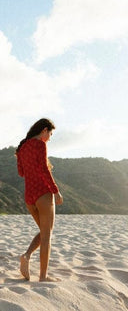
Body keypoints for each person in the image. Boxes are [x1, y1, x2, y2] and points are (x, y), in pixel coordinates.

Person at [15, 118, 63, 282]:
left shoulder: (22, 148)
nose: (49, 137)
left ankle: (27, 256)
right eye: (50, 133)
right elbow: (43, 169)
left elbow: (21, 172)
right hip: (43, 192)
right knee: (47, 236)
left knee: (44, 231)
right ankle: (43, 277)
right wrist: (55, 191)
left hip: (29, 196)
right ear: (44, 130)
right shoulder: (40, 144)